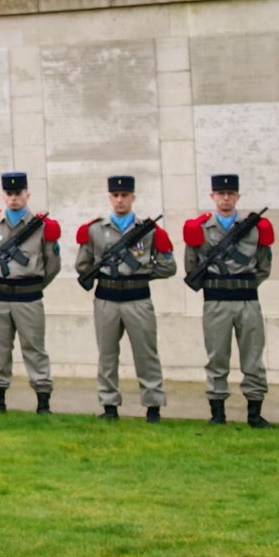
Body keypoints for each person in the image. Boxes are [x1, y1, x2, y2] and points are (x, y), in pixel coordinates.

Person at [74, 175, 174, 423]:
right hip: (106, 298)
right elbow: (83, 264)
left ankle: (153, 406)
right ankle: (109, 406)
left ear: (133, 197)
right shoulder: (95, 230)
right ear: (110, 197)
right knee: (107, 355)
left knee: (146, 354)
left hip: (138, 298)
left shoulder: (148, 230)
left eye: (125, 195)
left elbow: (168, 266)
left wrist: (141, 275)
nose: (120, 200)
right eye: (115, 196)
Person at [183, 174, 274, 428]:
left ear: (237, 197)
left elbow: (264, 265)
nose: (226, 198)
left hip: (247, 300)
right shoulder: (200, 229)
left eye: (230, 194)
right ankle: (218, 413)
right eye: (221, 194)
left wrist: (245, 283)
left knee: (253, 358)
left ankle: (255, 414)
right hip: (216, 301)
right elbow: (191, 264)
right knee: (217, 358)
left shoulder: (254, 228)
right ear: (212, 197)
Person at [0, 172, 59, 413]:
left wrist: (33, 285)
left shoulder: (42, 227)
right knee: (0, 348)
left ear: (27, 194)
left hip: (28, 296)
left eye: (18, 193)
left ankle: (43, 401)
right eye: (9, 194)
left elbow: (52, 264)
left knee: (34, 348)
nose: (14, 198)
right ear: (3, 195)